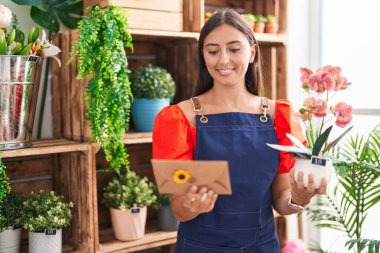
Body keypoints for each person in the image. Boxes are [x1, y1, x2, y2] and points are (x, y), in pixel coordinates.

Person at [152, 8, 327, 253]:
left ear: (252, 52)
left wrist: (299, 197)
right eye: (213, 51)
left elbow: (281, 200)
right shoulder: (179, 119)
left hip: (262, 246)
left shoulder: (280, 116)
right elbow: (179, 208)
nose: (223, 60)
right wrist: (192, 204)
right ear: (203, 56)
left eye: (234, 49)